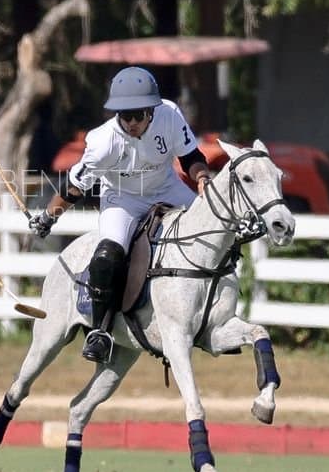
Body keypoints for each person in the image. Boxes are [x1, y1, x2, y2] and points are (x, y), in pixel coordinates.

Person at [28, 66, 212, 363]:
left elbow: (191, 157)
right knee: (107, 255)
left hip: (166, 186)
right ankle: (100, 332)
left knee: (210, 228)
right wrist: (49, 216)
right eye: (125, 116)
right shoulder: (102, 142)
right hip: (122, 198)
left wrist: (202, 178)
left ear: (152, 110)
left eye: (139, 115)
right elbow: (75, 186)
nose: (132, 122)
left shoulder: (169, 114)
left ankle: (212, 310)